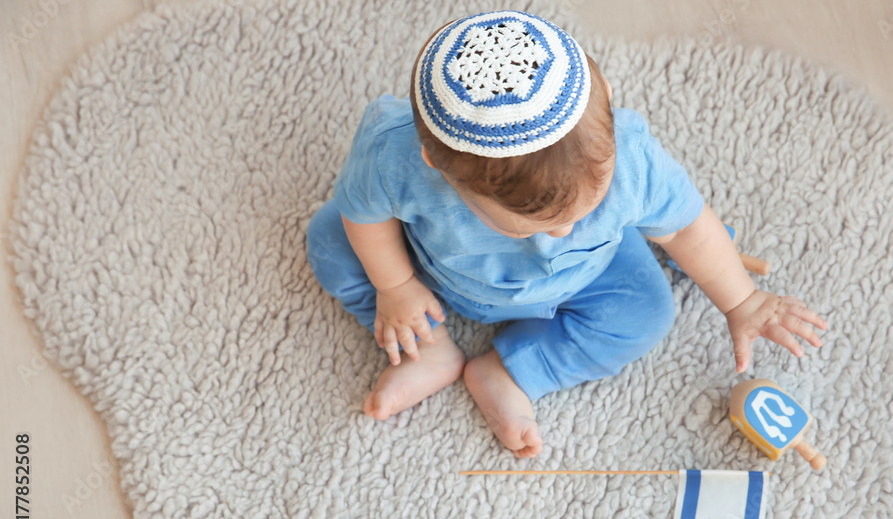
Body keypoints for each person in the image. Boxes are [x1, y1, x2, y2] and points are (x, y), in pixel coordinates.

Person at [307, 10, 828, 458]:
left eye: (587, 207)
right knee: (331, 240)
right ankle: (432, 348)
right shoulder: (392, 156)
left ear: (607, 98)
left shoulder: (633, 161)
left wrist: (743, 301)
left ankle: (512, 372)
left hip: (588, 276)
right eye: (538, 224)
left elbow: (689, 228)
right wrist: (395, 286)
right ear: (435, 166)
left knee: (647, 312)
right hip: (436, 273)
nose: (563, 232)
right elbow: (364, 214)